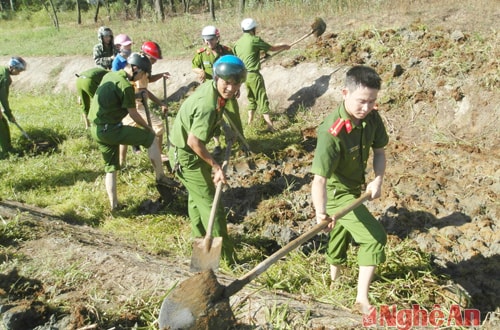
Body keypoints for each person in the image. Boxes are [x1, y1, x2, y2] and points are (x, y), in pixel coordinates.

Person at [310, 65, 389, 315]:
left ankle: (334, 281)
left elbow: (379, 152)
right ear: (345, 93)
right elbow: (319, 180)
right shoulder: (330, 133)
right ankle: (361, 299)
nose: (366, 108)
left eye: (372, 101)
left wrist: (377, 179)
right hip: (335, 194)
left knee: (341, 232)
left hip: (355, 187)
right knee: (375, 238)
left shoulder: (372, 117)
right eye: (361, 101)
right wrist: (320, 213)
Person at [168, 55, 247, 265]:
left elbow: (216, 115)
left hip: (184, 150)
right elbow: (194, 141)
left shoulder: (215, 92)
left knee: (196, 201)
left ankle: (200, 239)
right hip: (186, 156)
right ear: (216, 78)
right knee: (212, 205)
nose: (230, 88)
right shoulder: (207, 105)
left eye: (236, 83)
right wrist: (216, 167)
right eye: (226, 83)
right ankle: (229, 261)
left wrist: (227, 129)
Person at [88, 53, 174, 210]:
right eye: (143, 73)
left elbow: (118, 95)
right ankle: (160, 177)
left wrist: (137, 94)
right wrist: (148, 128)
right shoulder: (126, 86)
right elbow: (133, 114)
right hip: (111, 130)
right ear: (136, 69)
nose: (142, 77)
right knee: (151, 138)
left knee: (111, 168)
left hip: (97, 130)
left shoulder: (111, 76)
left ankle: (114, 205)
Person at [233, 18, 290, 132]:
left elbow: (245, 57)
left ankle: (250, 123)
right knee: (261, 98)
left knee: (251, 98)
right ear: (253, 29)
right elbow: (272, 48)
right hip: (254, 75)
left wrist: (262, 56)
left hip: (243, 76)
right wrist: (284, 46)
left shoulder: (237, 43)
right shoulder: (254, 40)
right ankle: (270, 126)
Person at [119, 41, 170, 166]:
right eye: (153, 58)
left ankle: (121, 162)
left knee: (124, 134)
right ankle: (158, 156)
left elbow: (148, 79)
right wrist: (161, 103)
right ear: (146, 55)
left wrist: (160, 75)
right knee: (158, 126)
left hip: (129, 104)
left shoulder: (139, 65)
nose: (155, 61)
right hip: (137, 106)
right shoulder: (140, 68)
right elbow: (144, 91)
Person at [192, 25, 239, 156]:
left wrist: (237, 86)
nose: (208, 42)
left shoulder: (227, 51)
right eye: (206, 40)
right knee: (214, 118)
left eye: (211, 39)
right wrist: (200, 71)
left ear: (217, 38)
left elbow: (236, 69)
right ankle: (217, 144)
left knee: (233, 114)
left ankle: (239, 140)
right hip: (211, 91)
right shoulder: (201, 54)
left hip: (227, 89)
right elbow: (194, 66)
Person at [0, 57, 27, 159]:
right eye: (18, 70)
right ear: (12, 67)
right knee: (1, 127)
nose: (19, 73)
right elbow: (3, 99)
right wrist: (9, 114)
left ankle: (8, 149)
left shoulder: (2, 70)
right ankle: (6, 152)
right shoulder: (5, 77)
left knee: (3, 123)